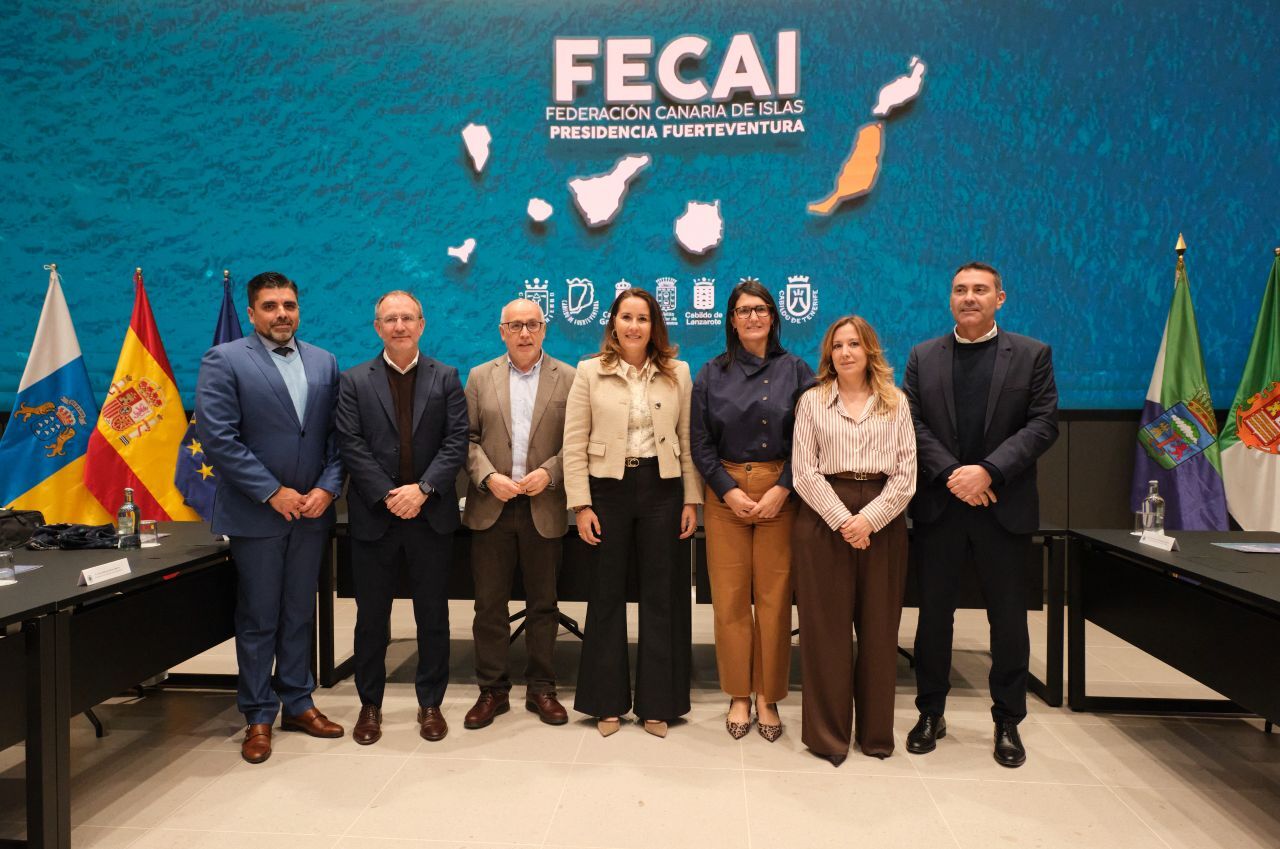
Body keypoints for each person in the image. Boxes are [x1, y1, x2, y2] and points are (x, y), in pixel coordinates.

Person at [902, 261, 1058, 768]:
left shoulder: (1032, 355)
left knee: (1009, 622)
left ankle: (1007, 720)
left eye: (980, 290)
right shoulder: (923, 357)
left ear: (1000, 298)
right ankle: (931, 712)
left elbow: (1042, 425)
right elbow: (914, 424)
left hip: (1003, 508)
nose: (969, 297)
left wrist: (988, 471)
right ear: (950, 298)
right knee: (933, 621)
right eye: (960, 290)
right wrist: (955, 475)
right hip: (941, 508)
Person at [196, 271, 345, 764]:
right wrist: (271, 492)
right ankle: (258, 714)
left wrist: (326, 488)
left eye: (289, 305)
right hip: (257, 514)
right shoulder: (225, 360)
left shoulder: (324, 362)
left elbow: (335, 439)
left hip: (312, 513)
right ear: (253, 311)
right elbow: (219, 437)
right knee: (259, 617)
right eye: (270, 306)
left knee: (299, 612)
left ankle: (298, 702)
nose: (282, 313)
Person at [563, 287, 701, 738]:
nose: (634, 326)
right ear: (613, 323)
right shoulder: (589, 372)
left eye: (643, 318)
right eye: (626, 317)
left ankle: (658, 703)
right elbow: (574, 443)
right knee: (605, 596)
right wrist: (581, 504)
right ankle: (607, 703)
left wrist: (691, 500)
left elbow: (688, 440)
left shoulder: (677, 372)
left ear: (654, 325)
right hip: (608, 490)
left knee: (661, 597)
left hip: (663, 490)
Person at [334, 290, 468, 745]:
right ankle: (369, 705)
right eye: (389, 319)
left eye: (407, 318)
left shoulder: (446, 377)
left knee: (433, 616)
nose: (399, 326)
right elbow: (350, 443)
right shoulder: (353, 381)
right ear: (377, 328)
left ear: (422, 324)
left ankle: (430, 703)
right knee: (372, 618)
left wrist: (424, 490)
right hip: (377, 516)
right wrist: (390, 495)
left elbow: (456, 442)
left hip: (430, 516)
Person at [690, 279, 814, 741]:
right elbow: (699, 444)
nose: (753, 317)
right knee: (730, 599)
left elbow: (810, 439)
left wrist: (783, 488)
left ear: (774, 317)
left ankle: (769, 696)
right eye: (743, 310)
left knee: (775, 600)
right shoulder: (710, 373)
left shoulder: (797, 370)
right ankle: (739, 693)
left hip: (781, 491)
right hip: (726, 495)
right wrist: (727, 490)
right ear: (731, 319)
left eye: (761, 309)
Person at [791, 315, 916, 766]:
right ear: (829, 354)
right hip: (824, 517)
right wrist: (845, 519)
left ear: (869, 351)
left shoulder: (895, 402)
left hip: (883, 518)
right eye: (838, 345)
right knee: (824, 632)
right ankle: (828, 737)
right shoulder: (812, 403)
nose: (846, 352)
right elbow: (804, 471)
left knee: (880, 631)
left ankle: (877, 735)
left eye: (855, 344)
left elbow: (906, 476)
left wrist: (869, 521)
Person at [461, 298, 576, 729]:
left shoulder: (569, 377)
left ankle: (542, 689)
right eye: (515, 326)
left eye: (532, 324)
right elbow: (467, 441)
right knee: (489, 605)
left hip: (543, 505)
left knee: (543, 604)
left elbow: (577, 443)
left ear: (544, 329)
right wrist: (489, 478)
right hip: (492, 505)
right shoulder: (478, 377)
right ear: (502, 331)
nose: (524, 333)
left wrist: (550, 473)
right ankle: (491, 690)